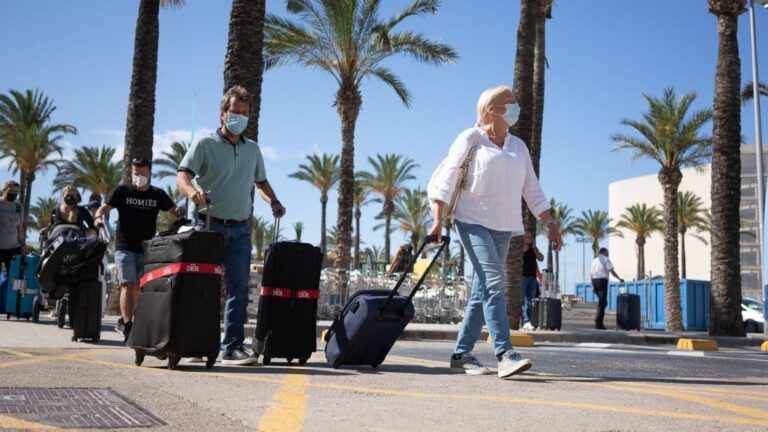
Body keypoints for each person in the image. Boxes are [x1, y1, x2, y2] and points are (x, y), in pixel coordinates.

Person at [428, 85, 562, 379]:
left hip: (504, 226)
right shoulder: (472, 137)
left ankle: (461, 354)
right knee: (493, 280)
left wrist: (550, 223)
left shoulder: (518, 147)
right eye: (510, 103)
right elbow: (449, 176)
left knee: (482, 290)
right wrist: (438, 219)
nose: (516, 107)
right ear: (491, 109)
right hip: (471, 220)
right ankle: (505, 353)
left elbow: (532, 189)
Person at [176, 85, 286, 366]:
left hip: (240, 229)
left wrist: (273, 201)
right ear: (223, 113)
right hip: (208, 225)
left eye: (245, 113)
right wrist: (192, 194)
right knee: (203, 287)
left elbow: (260, 182)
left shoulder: (253, 149)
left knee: (238, 287)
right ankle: (197, 343)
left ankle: (232, 347)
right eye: (235, 112)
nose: (240, 117)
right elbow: (183, 176)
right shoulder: (205, 144)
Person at [94, 158, 183, 341]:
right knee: (127, 284)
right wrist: (98, 217)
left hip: (147, 249)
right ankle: (127, 325)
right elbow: (105, 207)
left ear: (149, 173)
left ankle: (128, 320)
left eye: (142, 174)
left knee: (138, 288)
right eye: (135, 173)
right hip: (124, 247)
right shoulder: (122, 191)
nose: (138, 177)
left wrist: (183, 216)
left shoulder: (157, 194)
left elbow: (175, 211)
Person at [590, 247, 624, 330]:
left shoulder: (594, 261)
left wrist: (593, 286)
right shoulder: (606, 259)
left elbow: (591, 274)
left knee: (603, 302)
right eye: (607, 252)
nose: (608, 254)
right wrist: (619, 278)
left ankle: (599, 322)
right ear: (604, 252)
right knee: (602, 303)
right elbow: (611, 271)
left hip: (594, 281)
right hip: (602, 281)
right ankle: (598, 323)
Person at [0, 181, 26, 279]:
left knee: (14, 278)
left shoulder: (19, 207)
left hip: (14, 248)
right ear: (4, 190)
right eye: (11, 191)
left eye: (16, 192)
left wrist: (23, 245)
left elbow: (20, 228)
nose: (14, 194)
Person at [521, 232, 543, 330]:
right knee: (521, 301)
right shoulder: (521, 248)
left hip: (532, 278)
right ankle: (521, 321)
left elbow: (541, 258)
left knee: (529, 301)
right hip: (522, 277)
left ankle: (527, 321)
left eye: (530, 237)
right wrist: (525, 245)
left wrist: (534, 247)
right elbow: (521, 253)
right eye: (526, 237)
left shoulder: (533, 249)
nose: (529, 239)